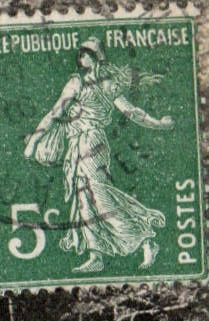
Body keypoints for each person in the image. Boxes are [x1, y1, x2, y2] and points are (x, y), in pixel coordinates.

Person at [24, 37, 173, 274]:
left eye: (86, 53)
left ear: (95, 57)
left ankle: (145, 240)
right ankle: (96, 255)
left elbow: (131, 111)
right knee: (84, 200)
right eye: (81, 54)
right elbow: (55, 113)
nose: (81, 58)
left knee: (100, 196)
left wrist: (158, 124)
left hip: (92, 142)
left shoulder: (102, 83)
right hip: (77, 144)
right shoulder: (78, 82)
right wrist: (34, 141)